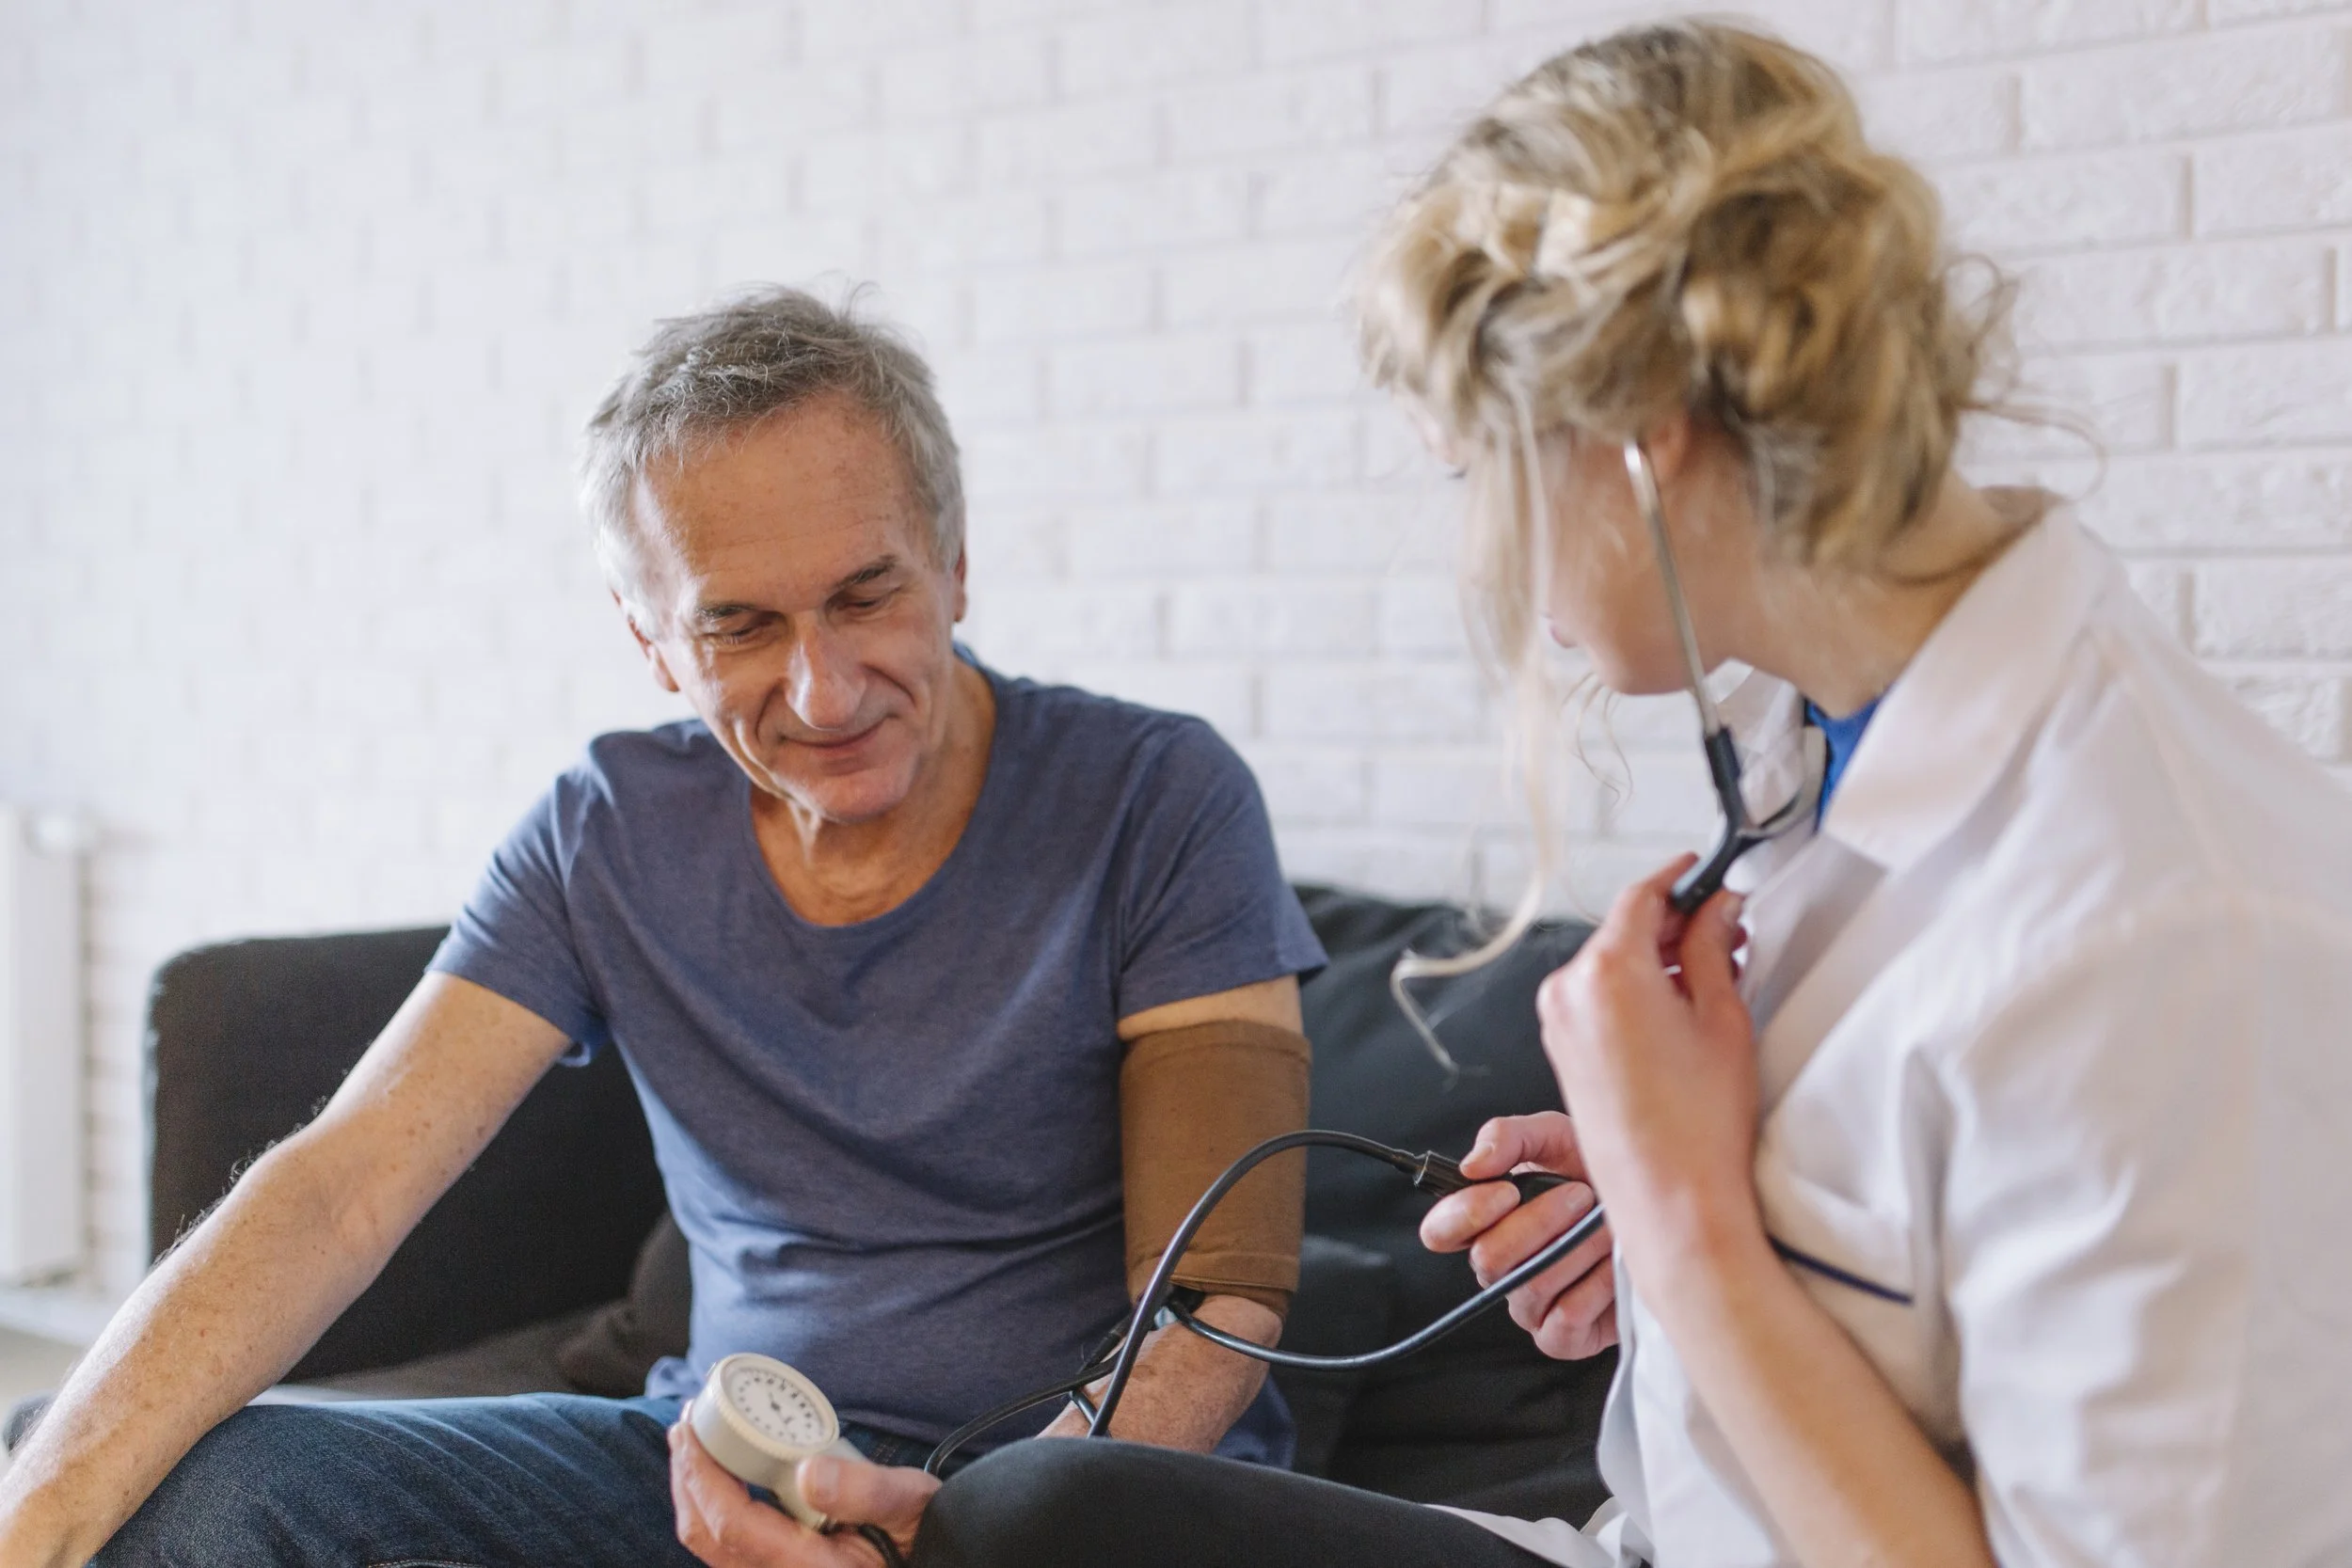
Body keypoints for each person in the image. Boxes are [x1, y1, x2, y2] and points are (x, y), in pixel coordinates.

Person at [898, 20, 2352, 1568]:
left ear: (1643, 445)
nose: (1486, 560)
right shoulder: (1835, 742)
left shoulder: (2169, 933)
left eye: (1479, 478)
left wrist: (1689, 1220)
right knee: (1029, 1516)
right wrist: (1690, 1211)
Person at [0, 288, 1338, 1568]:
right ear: (651, 640)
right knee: (141, 1477)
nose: (822, 689)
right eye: (741, 626)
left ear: (955, 562)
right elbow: (343, 1185)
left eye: (867, 594)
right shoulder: (607, 832)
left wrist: (969, 1541)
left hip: (1082, 1489)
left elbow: (1215, 1302)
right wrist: (39, 1509)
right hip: (713, 1478)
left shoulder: (1159, 794)